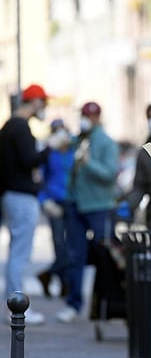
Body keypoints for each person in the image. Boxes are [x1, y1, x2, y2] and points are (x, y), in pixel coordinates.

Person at [56, 101, 119, 323]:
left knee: (105, 256)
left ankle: (103, 305)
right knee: (75, 256)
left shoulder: (107, 143)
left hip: (99, 206)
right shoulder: (77, 140)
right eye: (83, 115)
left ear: (97, 118)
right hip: (75, 203)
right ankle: (73, 303)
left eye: (89, 116)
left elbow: (109, 174)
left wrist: (89, 163)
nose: (85, 120)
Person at [0, 84, 56, 325]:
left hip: (13, 195)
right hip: (21, 196)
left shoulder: (11, 126)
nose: (44, 107)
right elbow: (29, 160)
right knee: (19, 255)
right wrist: (50, 147)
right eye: (42, 102)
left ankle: (10, 305)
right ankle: (16, 308)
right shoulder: (20, 127)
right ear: (34, 102)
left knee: (16, 252)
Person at [36, 119, 74, 298]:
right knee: (59, 244)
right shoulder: (49, 153)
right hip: (54, 202)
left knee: (72, 246)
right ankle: (64, 283)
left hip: (73, 202)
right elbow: (39, 179)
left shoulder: (74, 150)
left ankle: (48, 275)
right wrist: (44, 201)